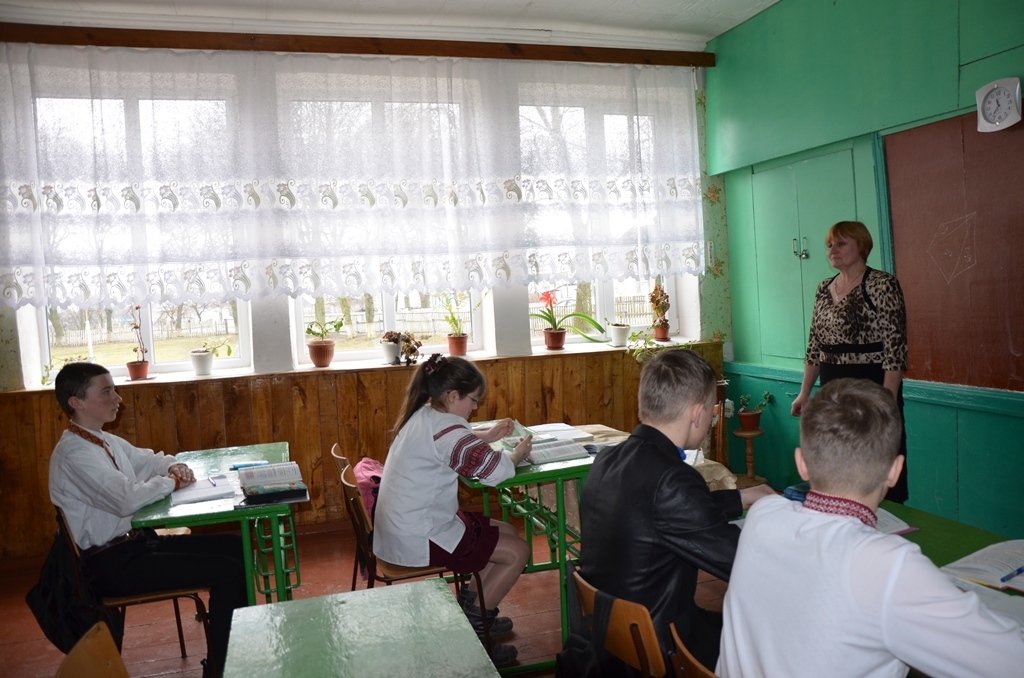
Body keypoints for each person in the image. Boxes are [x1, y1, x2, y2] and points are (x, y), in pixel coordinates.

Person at [718, 378, 1024, 677]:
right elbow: (1012, 661)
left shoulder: (762, 516)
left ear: (802, 463)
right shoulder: (890, 567)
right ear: (895, 471)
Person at [48, 362, 246, 678]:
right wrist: (171, 482)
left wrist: (172, 466)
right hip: (109, 566)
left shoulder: (102, 440)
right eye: (107, 391)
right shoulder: (75, 453)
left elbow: (149, 460)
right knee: (228, 572)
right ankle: (223, 668)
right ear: (76, 402)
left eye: (114, 390)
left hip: (136, 546)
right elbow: (126, 499)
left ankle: (233, 654)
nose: (117, 398)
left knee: (236, 548)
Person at [579, 349, 774, 672]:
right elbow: (740, 560)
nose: (710, 421)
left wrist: (740, 497)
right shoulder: (673, 479)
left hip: (612, 637)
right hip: (661, 646)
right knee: (769, 640)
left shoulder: (608, 460)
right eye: (711, 412)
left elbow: (659, 513)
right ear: (697, 413)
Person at [372, 353, 532, 668]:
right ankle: (476, 635)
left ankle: (475, 609)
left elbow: (450, 444)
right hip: (419, 534)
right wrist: (516, 454)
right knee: (518, 552)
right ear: (452, 395)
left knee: (506, 532)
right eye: (473, 401)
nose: (474, 408)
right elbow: (495, 472)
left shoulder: (426, 411)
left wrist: (487, 436)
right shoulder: (448, 429)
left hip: (408, 523)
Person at [791, 219, 909, 502]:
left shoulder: (882, 284)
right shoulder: (823, 288)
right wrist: (805, 392)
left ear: (862, 246)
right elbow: (814, 346)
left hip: (871, 384)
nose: (833, 250)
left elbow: (895, 349)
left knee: (874, 457)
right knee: (836, 455)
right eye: (830, 245)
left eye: (841, 243)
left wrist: (888, 399)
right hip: (832, 386)